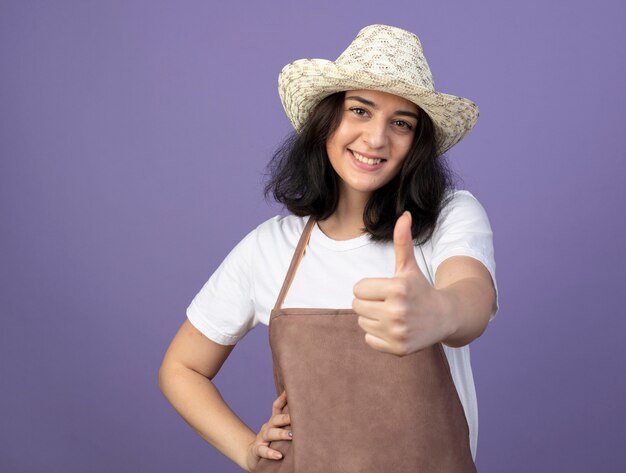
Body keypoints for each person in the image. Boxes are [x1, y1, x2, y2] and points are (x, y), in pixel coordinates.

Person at [159, 24, 499, 472]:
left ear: (416, 143)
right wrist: (247, 449)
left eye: (401, 123)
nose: (377, 139)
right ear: (326, 120)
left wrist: (439, 313)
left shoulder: (448, 216)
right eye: (360, 110)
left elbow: (473, 297)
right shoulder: (269, 249)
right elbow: (181, 369)